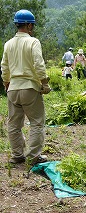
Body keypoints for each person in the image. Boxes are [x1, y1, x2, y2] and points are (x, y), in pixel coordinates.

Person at [1, 9, 51, 165]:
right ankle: (33, 157)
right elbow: (38, 64)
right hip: (29, 87)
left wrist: (6, 84)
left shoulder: (8, 43)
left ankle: (17, 155)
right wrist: (44, 83)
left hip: (13, 88)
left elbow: (4, 67)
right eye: (32, 25)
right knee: (36, 122)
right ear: (29, 25)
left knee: (14, 124)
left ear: (17, 24)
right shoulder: (33, 42)